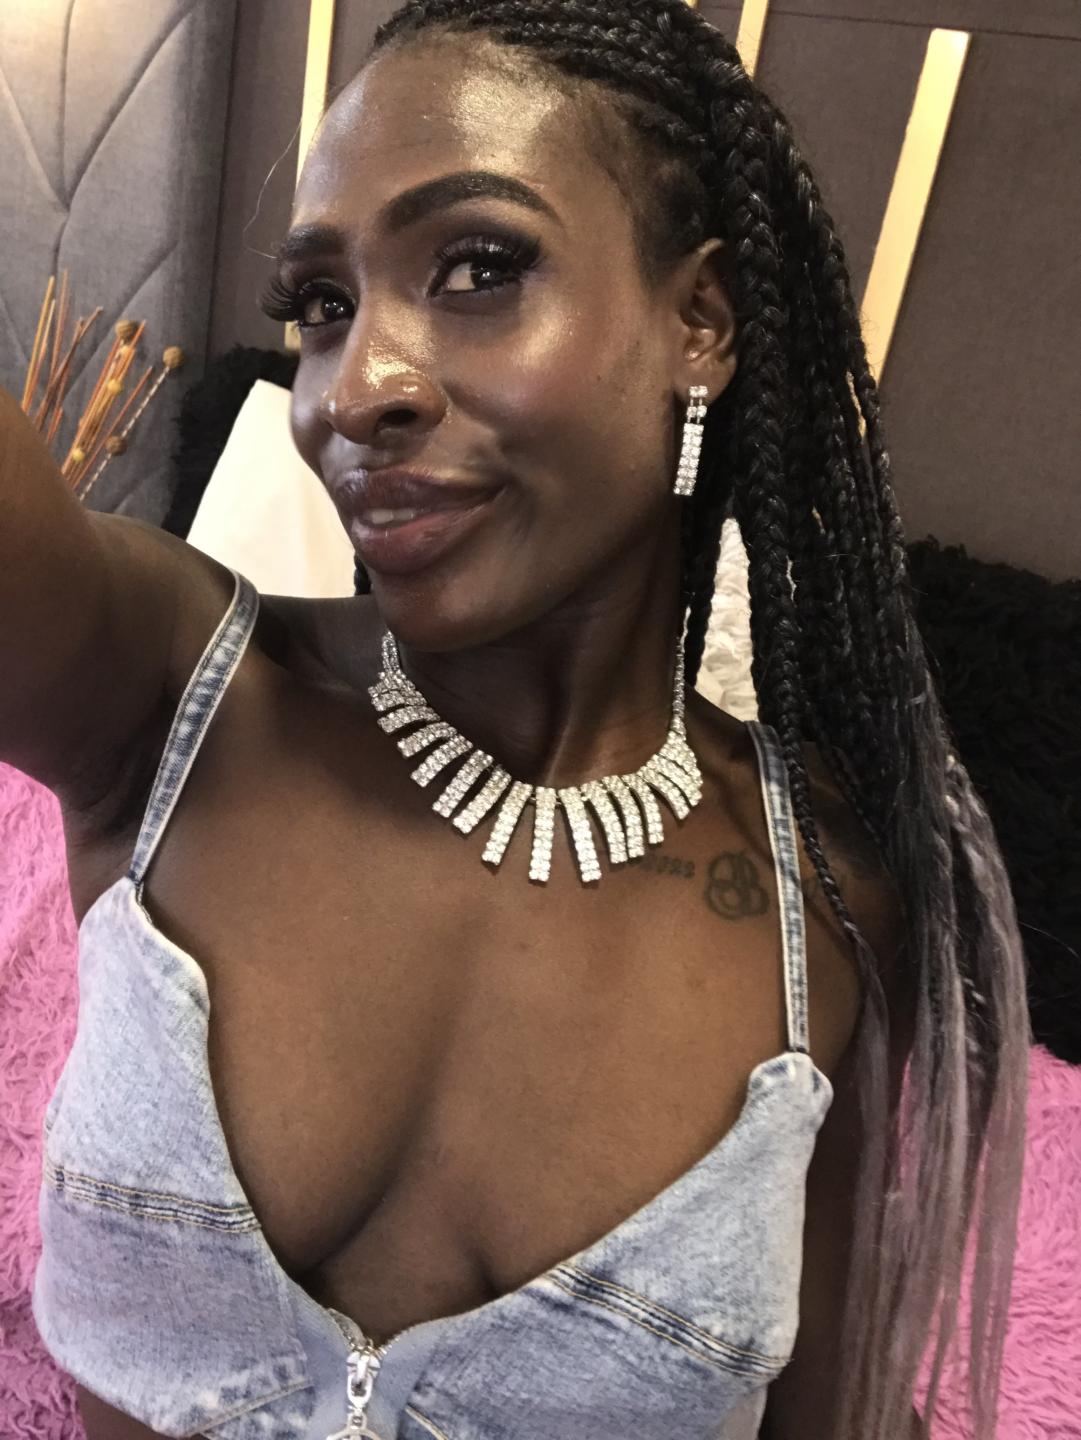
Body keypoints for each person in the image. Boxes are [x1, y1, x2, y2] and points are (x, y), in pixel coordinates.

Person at [3, 2, 1028, 1437]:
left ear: (699, 322)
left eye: (477, 268)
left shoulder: (830, 896)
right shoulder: (167, 693)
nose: (355, 389)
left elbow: (835, 1408)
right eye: (321, 305)